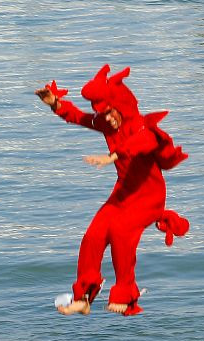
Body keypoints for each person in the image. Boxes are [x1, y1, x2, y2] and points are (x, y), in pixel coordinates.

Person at [35, 65, 191, 316]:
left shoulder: (142, 127)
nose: (106, 119)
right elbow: (80, 117)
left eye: (109, 113)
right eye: (103, 114)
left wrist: (113, 157)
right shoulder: (108, 124)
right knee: (93, 236)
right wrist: (55, 104)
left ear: (122, 107)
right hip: (124, 192)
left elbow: (143, 143)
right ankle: (84, 298)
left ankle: (127, 295)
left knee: (121, 232)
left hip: (149, 197)